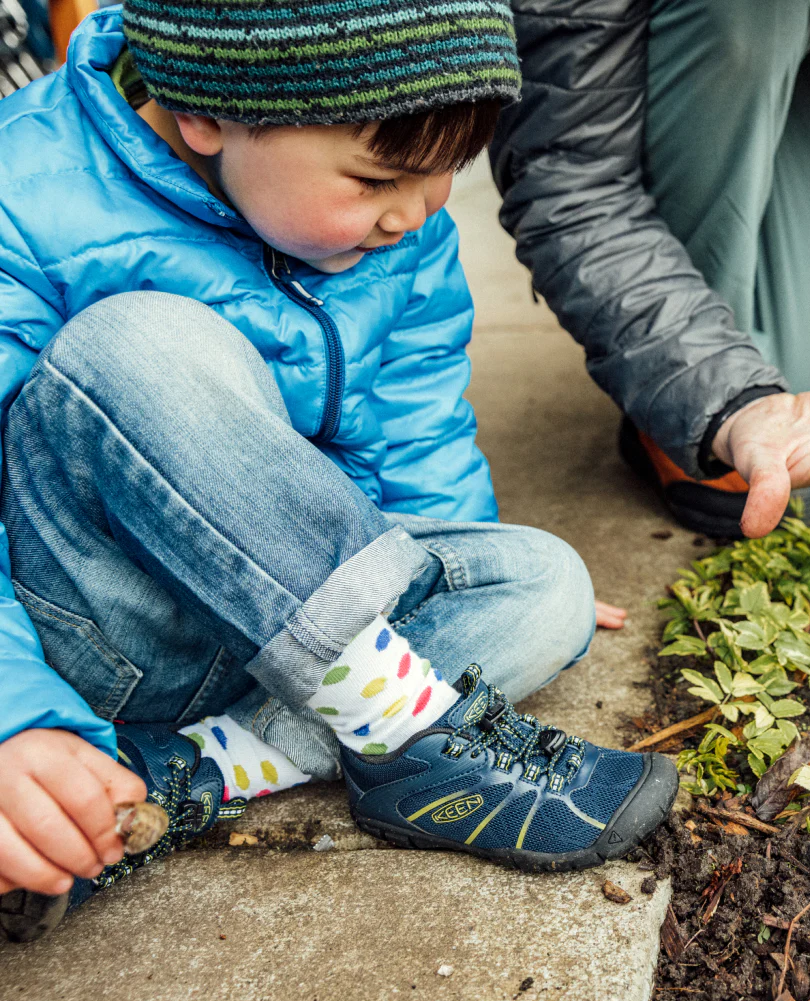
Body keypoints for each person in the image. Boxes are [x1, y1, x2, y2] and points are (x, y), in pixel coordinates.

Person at [0, 0, 677, 942]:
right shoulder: (24, 192)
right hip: (99, 626)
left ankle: (199, 768)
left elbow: (412, 430)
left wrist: (466, 551)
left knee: (546, 581)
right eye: (378, 177)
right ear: (207, 115)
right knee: (143, 341)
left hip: (285, 632)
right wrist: (13, 720)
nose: (416, 211)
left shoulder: (400, 230)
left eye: (448, 171)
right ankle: (404, 734)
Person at [490, 0, 810, 541]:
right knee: (767, 466)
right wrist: (725, 400)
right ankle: (672, 402)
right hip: (715, 48)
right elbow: (570, 182)